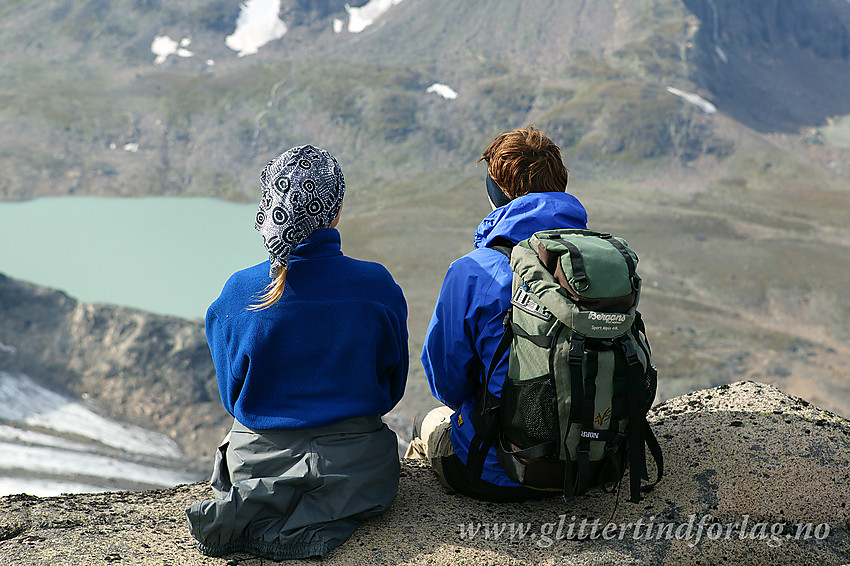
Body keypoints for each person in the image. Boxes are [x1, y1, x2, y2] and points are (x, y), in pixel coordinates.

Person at [186, 145, 408, 560]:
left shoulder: (238, 294)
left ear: (270, 207)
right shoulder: (377, 286)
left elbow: (233, 398)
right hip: (359, 473)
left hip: (255, 467)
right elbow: (392, 386)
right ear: (335, 211)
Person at [407, 126, 588, 501]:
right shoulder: (599, 262)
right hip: (593, 460)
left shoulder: (474, 270)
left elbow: (448, 383)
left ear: (496, 193)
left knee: (427, 421)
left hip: (499, 470)